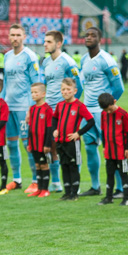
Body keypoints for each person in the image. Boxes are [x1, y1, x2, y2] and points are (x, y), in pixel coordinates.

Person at [79, 27, 125, 197]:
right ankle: (95, 186)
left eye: (93, 35)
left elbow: (119, 87)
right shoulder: (84, 60)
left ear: (100, 39)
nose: (89, 37)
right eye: (87, 35)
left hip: (104, 113)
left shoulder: (106, 60)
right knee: (90, 148)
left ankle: (120, 188)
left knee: (112, 149)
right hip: (88, 113)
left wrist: (109, 107)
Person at [40, 30, 83, 193]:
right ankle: (57, 181)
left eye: (49, 42)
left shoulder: (67, 62)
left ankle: (75, 184)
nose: (45, 44)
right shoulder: (45, 62)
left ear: (58, 44)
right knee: (51, 147)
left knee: (70, 148)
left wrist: (70, 107)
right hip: (50, 111)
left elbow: (79, 85)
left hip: (65, 113)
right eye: (45, 41)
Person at [3, 23, 41, 194]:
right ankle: (17, 179)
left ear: (24, 37)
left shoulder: (30, 56)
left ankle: (35, 180)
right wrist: (2, 104)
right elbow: (5, 82)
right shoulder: (7, 56)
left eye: (18, 35)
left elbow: (36, 83)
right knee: (11, 144)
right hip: (9, 107)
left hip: (24, 107)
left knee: (28, 145)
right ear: (9, 37)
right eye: (13, 35)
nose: (15, 38)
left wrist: (31, 108)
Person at [51, 78, 95, 201]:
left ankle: (74, 193)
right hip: (60, 141)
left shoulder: (79, 106)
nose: (65, 92)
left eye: (68, 89)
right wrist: (54, 130)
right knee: (64, 165)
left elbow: (91, 121)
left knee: (73, 166)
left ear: (74, 91)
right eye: (63, 89)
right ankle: (67, 192)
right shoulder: (60, 105)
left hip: (72, 143)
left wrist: (78, 133)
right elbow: (54, 119)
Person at [97, 92, 128, 206]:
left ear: (114, 102)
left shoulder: (123, 114)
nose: (108, 112)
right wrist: (104, 146)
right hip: (109, 151)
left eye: (110, 109)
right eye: (106, 110)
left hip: (121, 151)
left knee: (123, 174)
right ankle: (108, 197)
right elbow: (103, 131)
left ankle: (126, 198)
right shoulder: (103, 114)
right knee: (109, 174)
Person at [26, 82, 54, 198]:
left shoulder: (47, 109)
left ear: (43, 94)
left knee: (44, 165)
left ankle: (45, 189)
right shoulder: (32, 109)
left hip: (43, 144)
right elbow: (30, 127)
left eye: (36, 92)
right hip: (34, 143)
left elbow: (49, 128)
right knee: (37, 165)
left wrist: (47, 144)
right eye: (32, 92)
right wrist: (29, 143)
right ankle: (39, 189)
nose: (33, 95)